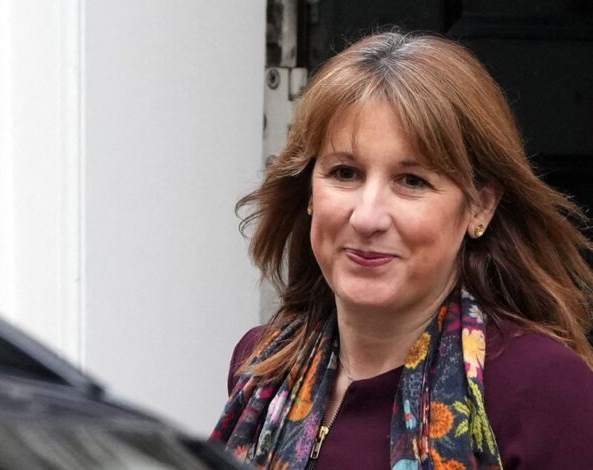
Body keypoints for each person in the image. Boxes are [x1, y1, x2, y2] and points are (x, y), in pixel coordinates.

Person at [210, 31, 593, 470]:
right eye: (345, 173)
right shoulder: (261, 367)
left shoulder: (542, 390)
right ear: (309, 190)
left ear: (480, 206)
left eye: (412, 181)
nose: (367, 217)